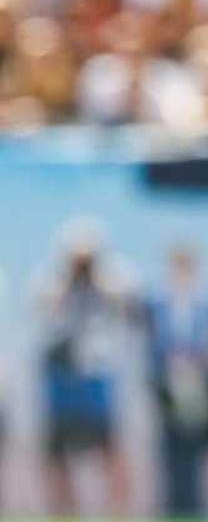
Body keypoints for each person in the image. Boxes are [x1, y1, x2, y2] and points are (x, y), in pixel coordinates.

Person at [38, 220, 132, 517]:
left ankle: (117, 512)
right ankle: (65, 513)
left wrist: (96, 275)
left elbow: (127, 304)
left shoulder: (112, 276)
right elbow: (43, 308)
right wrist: (68, 277)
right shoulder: (52, 277)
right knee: (57, 452)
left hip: (96, 375)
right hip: (63, 377)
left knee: (111, 448)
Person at [141, 244, 208, 517]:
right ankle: (171, 506)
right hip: (167, 380)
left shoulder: (207, 299)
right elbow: (148, 334)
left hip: (198, 381)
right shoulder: (158, 299)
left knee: (195, 447)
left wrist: (206, 361)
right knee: (169, 447)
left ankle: (196, 506)